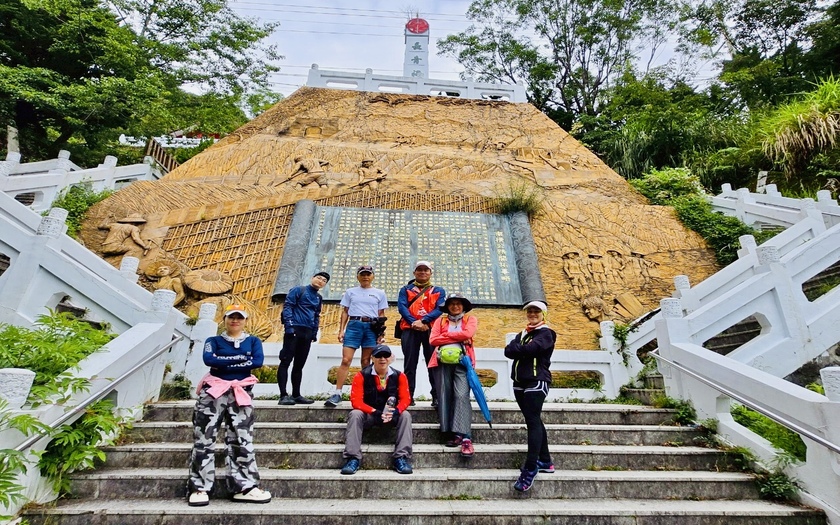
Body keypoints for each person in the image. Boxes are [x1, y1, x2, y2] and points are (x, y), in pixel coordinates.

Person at [188, 304, 271, 506]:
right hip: (214, 391)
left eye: (239, 317)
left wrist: (224, 361)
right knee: (204, 438)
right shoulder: (213, 341)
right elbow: (209, 359)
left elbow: (257, 361)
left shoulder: (253, 341)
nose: (235, 321)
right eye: (231, 317)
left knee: (242, 439)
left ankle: (244, 486)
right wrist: (242, 358)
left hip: (241, 392)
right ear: (224, 319)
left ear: (245, 320)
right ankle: (199, 487)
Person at [504, 300, 556, 492]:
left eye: (536, 311)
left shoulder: (546, 333)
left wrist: (520, 349)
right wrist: (520, 349)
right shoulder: (523, 333)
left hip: (537, 381)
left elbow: (532, 349)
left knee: (533, 421)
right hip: (519, 382)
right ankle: (546, 460)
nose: (532, 314)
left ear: (543, 314)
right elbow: (508, 351)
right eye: (530, 311)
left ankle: (530, 467)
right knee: (533, 420)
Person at [339, 344, 413, 475]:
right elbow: (355, 401)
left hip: (391, 415)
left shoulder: (399, 376)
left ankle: (401, 457)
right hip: (370, 415)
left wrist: (396, 411)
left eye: (386, 355)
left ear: (390, 358)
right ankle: (353, 457)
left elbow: (406, 399)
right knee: (355, 414)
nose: (382, 359)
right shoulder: (361, 376)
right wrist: (374, 412)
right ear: (372, 358)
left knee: (405, 415)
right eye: (378, 356)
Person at [326, 265, 388, 407]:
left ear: (373, 276)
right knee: (346, 359)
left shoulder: (379, 293)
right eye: (362, 274)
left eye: (368, 274)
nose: (365, 277)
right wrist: (341, 330)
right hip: (354, 325)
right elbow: (345, 311)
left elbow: (381, 315)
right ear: (357, 276)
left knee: (366, 361)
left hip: (371, 326)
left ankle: (365, 393)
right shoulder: (350, 292)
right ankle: (337, 393)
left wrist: (381, 334)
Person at [428, 293, 478, 457]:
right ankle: (450, 432)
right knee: (444, 395)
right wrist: (455, 337)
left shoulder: (470, 320)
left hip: (462, 362)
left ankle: (464, 435)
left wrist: (446, 337)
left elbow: (467, 334)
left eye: (458, 304)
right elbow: (433, 340)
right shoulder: (440, 321)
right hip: (441, 362)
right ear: (447, 306)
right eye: (452, 304)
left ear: (463, 306)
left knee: (461, 395)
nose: (455, 306)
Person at [397, 260, 446, 406]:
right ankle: (408, 395)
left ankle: (436, 396)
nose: (423, 272)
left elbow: (440, 308)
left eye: (426, 270)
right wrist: (414, 322)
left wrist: (424, 321)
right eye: (420, 270)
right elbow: (402, 307)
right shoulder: (405, 289)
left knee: (433, 364)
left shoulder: (438, 290)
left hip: (430, 330)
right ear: (414, 272)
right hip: (409, 329)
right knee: (410, 364)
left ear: (431, 273)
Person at [277, 271, 330, 405]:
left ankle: (296, 394)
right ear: (312, 278)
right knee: (285, 361)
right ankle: (283, 395)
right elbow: (288, 306)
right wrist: (289, 327)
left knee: (299, 365)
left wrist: (314, 332)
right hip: (294, 329)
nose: (320, 281)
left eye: (324, 280)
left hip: (307, 332)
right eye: (318, 278)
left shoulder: (318, 297)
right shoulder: (298, 290)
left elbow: (316, 315)